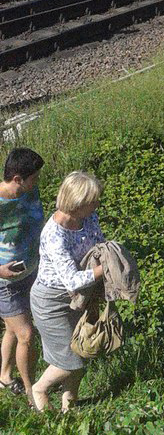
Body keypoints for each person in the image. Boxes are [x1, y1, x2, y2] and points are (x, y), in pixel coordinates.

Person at [30, 172, 106, 412]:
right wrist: (104, 270)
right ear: (77, 202)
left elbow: (99, 245)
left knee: (80, 353)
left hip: (79, 298)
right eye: (92, 200)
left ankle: (69, 407)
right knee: (70, 361)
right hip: (51, 301)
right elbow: (71, 280)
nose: (97, 205)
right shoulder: (54, 234)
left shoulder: (89, 218)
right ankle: (39, 390)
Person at [0, 148, 45, 402]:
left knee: (11, 330)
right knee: (26, 334)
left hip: (32, 270)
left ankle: (4, 376)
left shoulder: (29, 192)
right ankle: (32, 392)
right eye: (34, 178)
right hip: (5, 281)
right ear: (17, 178)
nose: (37, 182)